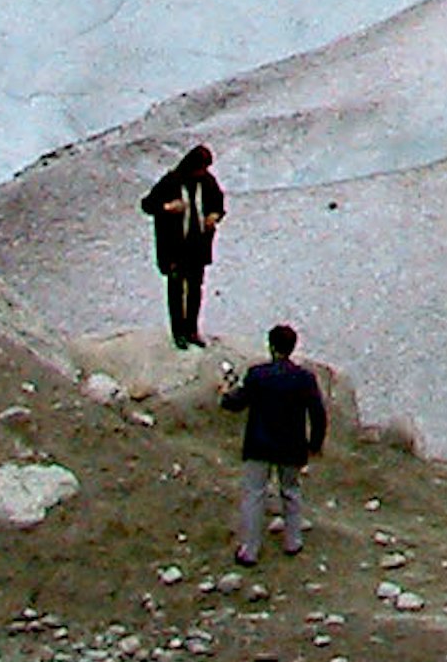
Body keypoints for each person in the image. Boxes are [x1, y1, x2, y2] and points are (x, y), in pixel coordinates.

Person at [221, 322, 329, 564]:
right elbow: (318, 413)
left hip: (259, 444)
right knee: (291, 492)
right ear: (293, 348)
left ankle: (249, 550)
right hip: (291, 446)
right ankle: (293, 541)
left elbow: (236, 403)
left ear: (271, 346)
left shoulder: (257, 374)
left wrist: (225, 393)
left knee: (254, 495)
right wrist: (315, 443)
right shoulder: (305, 378)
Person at [140, 144, 224, 349]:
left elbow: (218, 205)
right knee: (176, 289)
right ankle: (178, 333)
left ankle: (192, 330)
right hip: (175, 247)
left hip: (198, 245)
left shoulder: (207, 182)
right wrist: (167, 207)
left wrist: (214, 216)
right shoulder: (171, 182)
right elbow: (147, 204)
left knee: (195, 289)